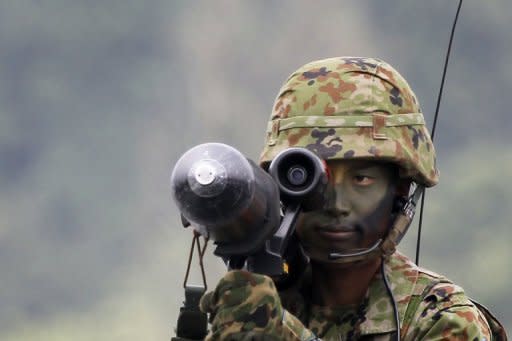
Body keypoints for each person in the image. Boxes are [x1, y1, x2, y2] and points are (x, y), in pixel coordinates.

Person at [199, 57, 507, 340]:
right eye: (314, 180)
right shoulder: (264, 302)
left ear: (399, 191)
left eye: (362, 179)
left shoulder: (440, 320)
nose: (336, 205)